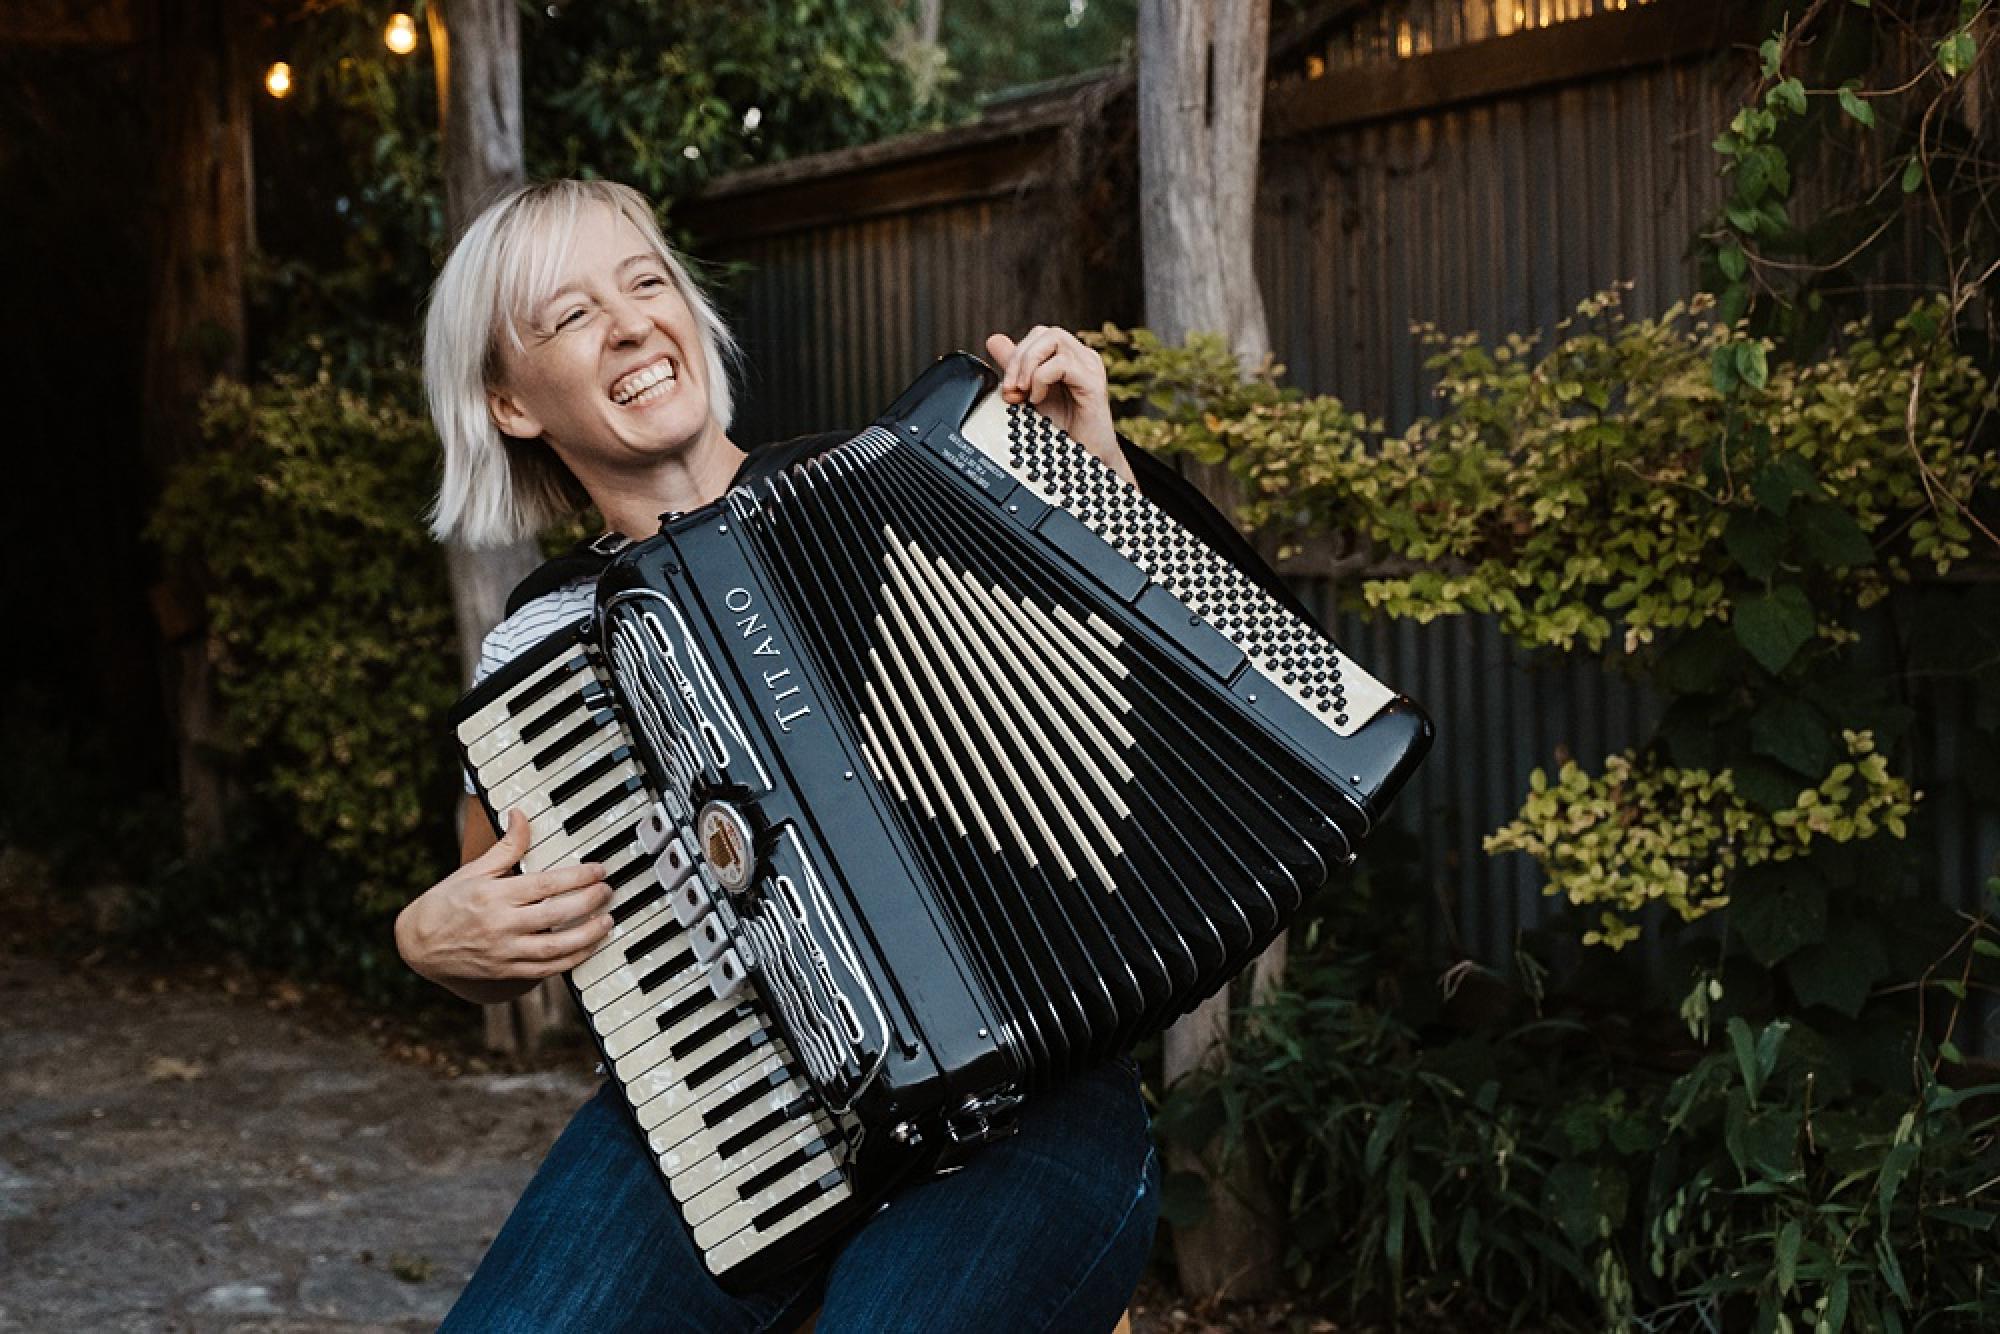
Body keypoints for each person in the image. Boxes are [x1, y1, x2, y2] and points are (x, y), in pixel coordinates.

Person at [394, 178, 1164, 1333]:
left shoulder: (913, 481)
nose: (631, 323)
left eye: (646, 282)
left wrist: (1084, 494)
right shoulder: (542, 641)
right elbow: (504, 914)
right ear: (509, 402)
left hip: (1027, 1104)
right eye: (568, 315)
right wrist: (429, 940)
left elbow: (1162, 713)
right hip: (722, 1107)